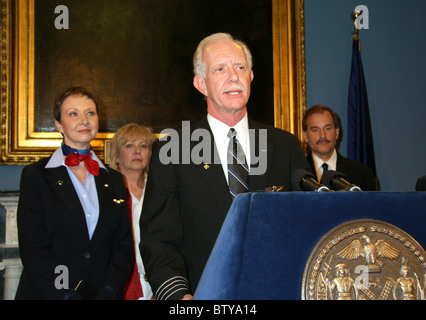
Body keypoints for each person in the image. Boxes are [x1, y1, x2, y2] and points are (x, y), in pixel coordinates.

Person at [139, 33, 311, 300]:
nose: (234, 76)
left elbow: (303, 227)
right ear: (201, 84)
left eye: (240, 67)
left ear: (251, 77)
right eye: (220, 69)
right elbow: (158, 240)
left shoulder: (284, 146)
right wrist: (179, 298)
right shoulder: (173, 150)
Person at [15, 87, 134, 300]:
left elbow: (122, 247)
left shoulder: (114, 179)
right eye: (73, 113)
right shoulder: (36, 177)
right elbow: (34, 250)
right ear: (59, 125)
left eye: (90, 113)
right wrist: (67, 295)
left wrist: (110, 290)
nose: (84, 120)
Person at [109, 123, 155, 300]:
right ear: (117, 156)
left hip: (157, 282)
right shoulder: (106, 193)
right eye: (129, 145)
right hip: (122, 282)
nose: (138, 151)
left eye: (143, 146)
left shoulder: (162, 191)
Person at [302, 104, 377, 191]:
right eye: (315, 130)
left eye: (328, 128)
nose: (322, 135)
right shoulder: (298, 175)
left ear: (337, 132)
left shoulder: (363, 173)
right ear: (305, 136)